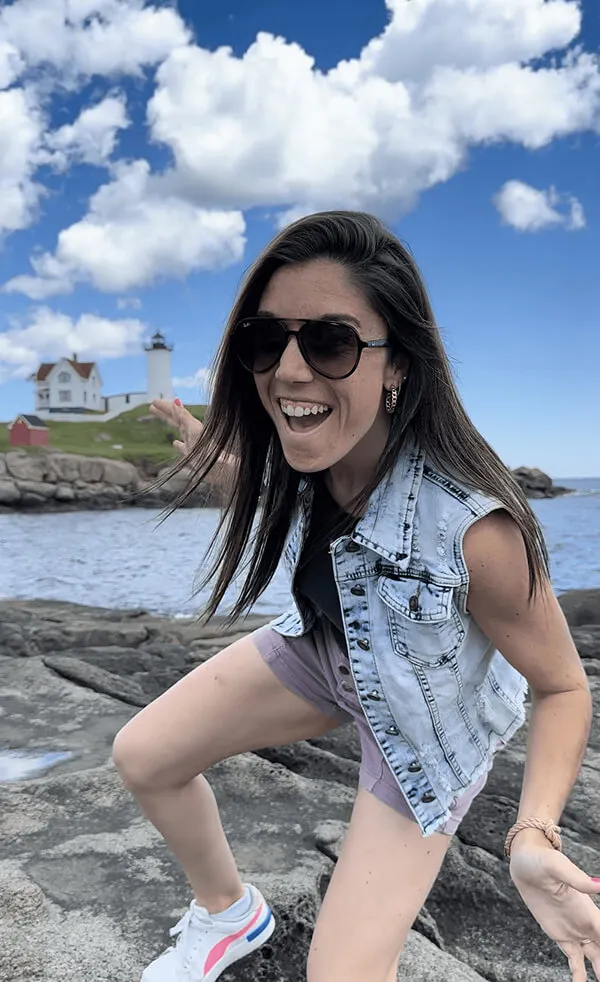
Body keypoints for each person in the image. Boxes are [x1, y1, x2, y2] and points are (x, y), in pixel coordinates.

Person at [112, 211, 600, 982]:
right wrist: (221, 464)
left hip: (427, 726)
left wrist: (532, 832)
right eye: (266, 342)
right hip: (328, 653)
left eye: (331, 342)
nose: (291, 371)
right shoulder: (311, 453)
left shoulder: (475, 528)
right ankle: (229, 913)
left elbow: (564, 684)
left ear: (397, 363)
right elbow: (294, 496)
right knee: (143, 756)